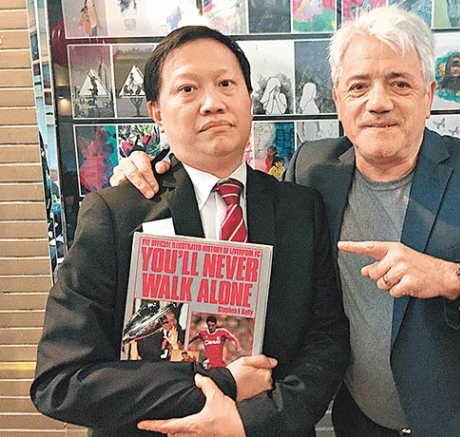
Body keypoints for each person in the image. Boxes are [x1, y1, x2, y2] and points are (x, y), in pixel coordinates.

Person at [111, 6, 460, 437]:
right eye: (359, 86)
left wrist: (452, 278)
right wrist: (156, 168)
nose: (378, 102)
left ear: (429, 95)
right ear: (339, 100)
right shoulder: (312, 169)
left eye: (399, 84)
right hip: (361, 424)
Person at [31, 25, 349, 437]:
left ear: (249, 99)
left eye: (226, 84)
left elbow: (327, 340)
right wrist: (221, 385)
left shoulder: (300, 208)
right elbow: (62, 381)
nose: (212, 103)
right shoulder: (116, 214)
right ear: (156, 112)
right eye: (187, 89)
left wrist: (253, 420)